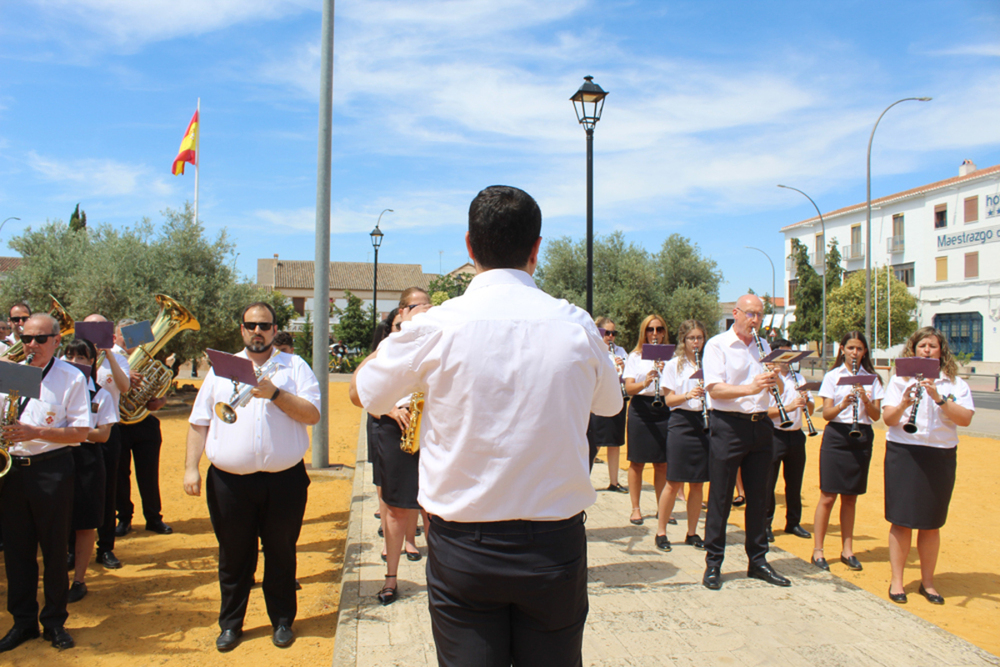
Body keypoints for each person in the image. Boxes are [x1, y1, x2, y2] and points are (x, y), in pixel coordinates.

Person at [351, 185, 622, 666]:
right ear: (536, 248)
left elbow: (366, 392)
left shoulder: (436, 325)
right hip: (554, 548)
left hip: (464, 550)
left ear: (470, 246)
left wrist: (404, 339)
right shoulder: (576, 324)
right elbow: (607, 406)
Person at [184, 302, 321, 652]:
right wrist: (190, 468)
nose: (257, 331)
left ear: (275, 330)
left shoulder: (295, 366)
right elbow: (200, 421)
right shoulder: (220, 369)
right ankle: (231, 624)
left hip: (284, 481)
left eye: (265, 325)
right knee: (234, 555)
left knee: (281, 553)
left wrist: (275, 393)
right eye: (251, 325)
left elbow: (312, 415)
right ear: (241, 329)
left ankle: (281, 621)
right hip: (230, 482)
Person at [0, 313, 91, 653]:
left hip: (52, 468)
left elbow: (80, 432)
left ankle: (53, 622)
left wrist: (34, 432)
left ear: (56, 340)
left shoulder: (71, 377)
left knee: (54, 551)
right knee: (17, 551)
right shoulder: (5, 370)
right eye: (25, 339)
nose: (32, 345)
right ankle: (22, 622)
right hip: (12, 471)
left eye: (40, 339)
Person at [701, 294, 790, 590]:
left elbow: (773, 387)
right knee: (721, 497)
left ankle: (758, 561)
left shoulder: (764, 346)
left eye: (760, 315)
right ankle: (714, 562)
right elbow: (715, 390)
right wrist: (750, 387)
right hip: (728, 425)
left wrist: (774, 379)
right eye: (750, 314)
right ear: (736, 313)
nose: (755, 320)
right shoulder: (718, 345)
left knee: (760, 496)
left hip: (761, 425)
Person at [882, 327, 974, 604]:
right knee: (901, 520)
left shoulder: (954, 384)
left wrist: (938, 398)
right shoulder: (899, 380)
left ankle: (928, 582)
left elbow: (965, 419)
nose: (927, 350)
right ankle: (897, 581)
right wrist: (904, 402)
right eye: (922, 345)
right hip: (904, 453)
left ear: (941, 351)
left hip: (939, 455)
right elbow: (888, 419)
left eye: (932, 346)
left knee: (931, 523)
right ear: (913, 349)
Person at [371, 290, 432, 604]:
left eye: (427, 304)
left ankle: (441, 576)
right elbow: (363, 395)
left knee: (434, 508)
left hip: (432, 428)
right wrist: (390, 409)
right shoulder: (385, 348)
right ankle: (391, 579)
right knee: (395, 508)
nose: (424, 309)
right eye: (417, 305)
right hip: (397, 428)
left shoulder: (436, 341)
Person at [812, 331, 883, 572]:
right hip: (837, 437)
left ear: (865, 352)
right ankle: (818, 550)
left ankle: (847, 550)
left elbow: (876, 416)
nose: (855, 353)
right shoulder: (832, 376)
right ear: (842, 349)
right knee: (828, 496)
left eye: (859, 349)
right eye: (851, 348)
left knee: (850, 497)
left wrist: (864, 399)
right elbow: (826, 414)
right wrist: (844, 403)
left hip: (861, 436)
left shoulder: (872, 378)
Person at [63, 338, 118, 602]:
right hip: (57, 459)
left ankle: (79, 581)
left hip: (87, 462)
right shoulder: (51, 390)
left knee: (85, 524)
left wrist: (71, 433)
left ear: (91, 362)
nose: (75, 362)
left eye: (81, 357)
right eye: (69, 356)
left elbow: (104, 436)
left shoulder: (101, 394)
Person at [654, 319, 710, 552]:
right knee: (673, 480)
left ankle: (692, 532)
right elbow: (668, 400)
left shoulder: (710, 363)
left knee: (697, 483)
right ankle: (661, 531)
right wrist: (688, 394)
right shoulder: (673, 365)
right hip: (681, 423)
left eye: (699, 338)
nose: (696, 342)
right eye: (691, 338)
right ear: (683, 340)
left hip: (703, 423)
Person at [82, 314, 130, 570]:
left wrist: (109, 355)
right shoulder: (73, 355)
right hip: (79, 434)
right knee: (77, 490)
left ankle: (106, 548)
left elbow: (124, 387)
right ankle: (73, 549)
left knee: (108, 491)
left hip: (109, 432)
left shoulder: (119, 357)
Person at [115, 318, 172, 537]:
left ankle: (154, 518)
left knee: (149, 473)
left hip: (145, 422)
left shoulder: (149, 357)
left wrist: (161, 401)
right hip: (119, 424)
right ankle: (124, 518)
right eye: (125, 336)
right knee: (121, 475)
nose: (130, 341)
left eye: (135, 336)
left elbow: (160, 387)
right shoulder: (109, 359)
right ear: (116, 337)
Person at [623, 314, 670, 526]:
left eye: (659, 329)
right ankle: (636, 509)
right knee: (637, 462)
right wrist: (647, 381)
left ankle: (663, 509)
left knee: (662, 464)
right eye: (651, 329)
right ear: (644, 332)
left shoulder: (670, 356)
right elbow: (628, 388)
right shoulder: (635, 356)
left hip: (664, 410)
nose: (655, 334)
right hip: (641, 410)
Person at [764, 338, 813, 542]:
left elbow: (810, 409)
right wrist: (790, 408)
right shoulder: (768, 379)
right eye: (784, 355)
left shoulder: (799, 378)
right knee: (768, 483)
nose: (788, 360)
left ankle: (793, 522)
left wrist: (806, 402)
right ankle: (765, 524)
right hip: (775, 435)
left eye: (790, 355)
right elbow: (765, 412)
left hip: (796, 434)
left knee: (794, 482)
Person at [587, 316, 628, 492]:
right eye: (607, 332)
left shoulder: (620, 351)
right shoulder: (594, 349)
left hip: (616, 397)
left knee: (614, 441)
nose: (611, 336)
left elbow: (627, 376)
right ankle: (585, 479)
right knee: (594, 441)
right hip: (598, 399)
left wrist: (622, 368)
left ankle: (614, 481)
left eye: (613, 333)